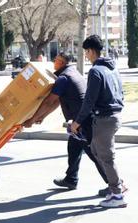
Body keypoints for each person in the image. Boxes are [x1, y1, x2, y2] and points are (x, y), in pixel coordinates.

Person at [23, 52, 109, 194]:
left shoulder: (63, 78)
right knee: (74, 147)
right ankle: (71, 179)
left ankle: (114, 184)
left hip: (83, 122)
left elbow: (49, 101)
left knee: (95, 154)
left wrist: (32, 120)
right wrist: (42, 116)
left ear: (62, 63)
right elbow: (57, 101)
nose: (53, 63)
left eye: (56, 60)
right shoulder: (73, 72)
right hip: (80, 121)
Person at [70, 35, 127, 208]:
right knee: (95, 149)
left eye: (86, 52)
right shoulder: (112, 68)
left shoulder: (96, 71)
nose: (86, 56)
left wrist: (77, 122)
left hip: (104, 118)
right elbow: (121, 94)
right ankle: (116, 185)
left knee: (106, 157)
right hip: (114, 116)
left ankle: (117, 194)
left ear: (91, 51)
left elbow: (89, 100)